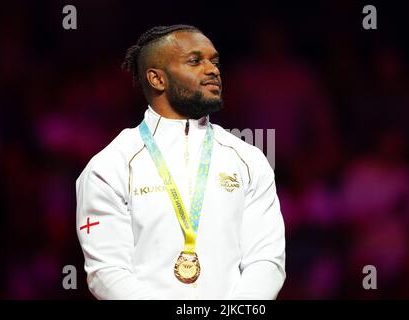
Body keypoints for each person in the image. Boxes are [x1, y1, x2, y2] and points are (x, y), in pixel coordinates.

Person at [76, 24, 286, 300]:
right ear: (157, 79)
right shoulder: (110, 166)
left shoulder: (249, 160)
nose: (212, 70)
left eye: (215, 61)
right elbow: (107, 272)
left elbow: (266, 261)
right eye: (195, 61)